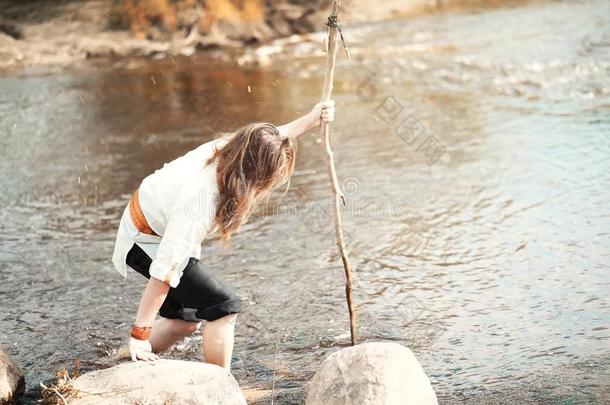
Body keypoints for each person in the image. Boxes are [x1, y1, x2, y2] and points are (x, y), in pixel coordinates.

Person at [112, 100, 336, 370]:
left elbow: (269, 137)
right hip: (145, 237)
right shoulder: (200, 202)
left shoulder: (235, 150)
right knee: (224, 305)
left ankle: (118, 363)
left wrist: (312, 119)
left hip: (156, 219)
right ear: (256, 176)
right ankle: (220, 387)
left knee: (184, 321)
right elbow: (163, 272)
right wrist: (139, 334)